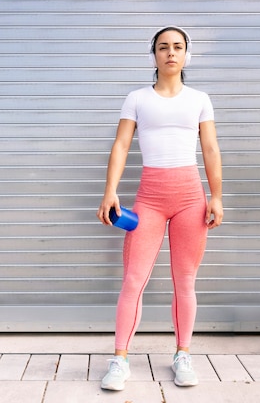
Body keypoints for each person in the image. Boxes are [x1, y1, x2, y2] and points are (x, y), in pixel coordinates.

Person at [96, 26, 223, 390]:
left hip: (189, 197)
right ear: (153, 55)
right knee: (133, 279)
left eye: (178, 47)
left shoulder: (199, 98)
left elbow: (211, 149)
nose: (171, 52)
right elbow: (121, 145)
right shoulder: (137, 98)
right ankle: (119, 360)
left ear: (187, 55)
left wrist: (216, 196)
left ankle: (183, 354)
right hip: (149, 198)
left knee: (185, 281)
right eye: (163, 47)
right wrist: (110, 191)